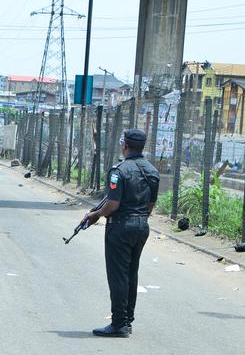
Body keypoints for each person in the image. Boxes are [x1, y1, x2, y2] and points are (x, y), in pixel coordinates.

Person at [80, 129, 160, 338]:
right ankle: (127, 321)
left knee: (118, 276)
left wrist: (95, 214)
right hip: (142, 226)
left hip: (120, 227)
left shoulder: (119, 170)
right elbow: (151, 204)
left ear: (125, 145)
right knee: (131, 274)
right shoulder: (152, 170)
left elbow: (113, 204)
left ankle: (118, 324)